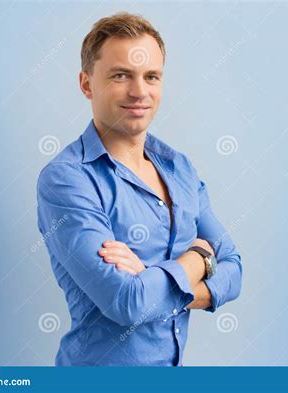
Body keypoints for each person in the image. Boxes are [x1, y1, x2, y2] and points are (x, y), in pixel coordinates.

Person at [37, 12, 242, 366]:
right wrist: (199, 258)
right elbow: (128, 303)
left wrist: (152, 279)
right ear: (87, 84)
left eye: (151, 76)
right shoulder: (67, 179)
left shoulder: (180, 168)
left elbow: (235, 271)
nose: (139, 91)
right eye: (121, 76)